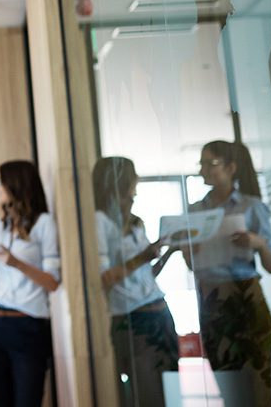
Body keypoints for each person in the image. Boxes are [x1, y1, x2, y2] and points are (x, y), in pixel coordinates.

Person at [186, 140, 271, 406]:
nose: (203, 170)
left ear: (231, 167)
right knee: (227, 380)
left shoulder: (251, 206)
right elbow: (193, 265)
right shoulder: (195, 211)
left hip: (246, 294)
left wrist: (258, 243)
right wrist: (188, 250)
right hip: (212, 297)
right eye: (201, 164)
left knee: (261, 378)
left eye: (210, 163)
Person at [92, 156, 179, 407]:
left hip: (158, 312)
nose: (135, 186)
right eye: (132, 178)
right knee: (146, 392)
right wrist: (142, 257)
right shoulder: (100, 221)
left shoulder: (134, 221)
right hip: (132, 320)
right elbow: (103, 278)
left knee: (167, 390)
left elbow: (146, 275)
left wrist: (169, 251)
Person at [0, 160, 60, 407]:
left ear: (17, 184)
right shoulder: (0, 227)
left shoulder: (43, 224)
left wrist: (16, 262)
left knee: (27, 401)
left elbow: (53, 282)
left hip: (28, 325)